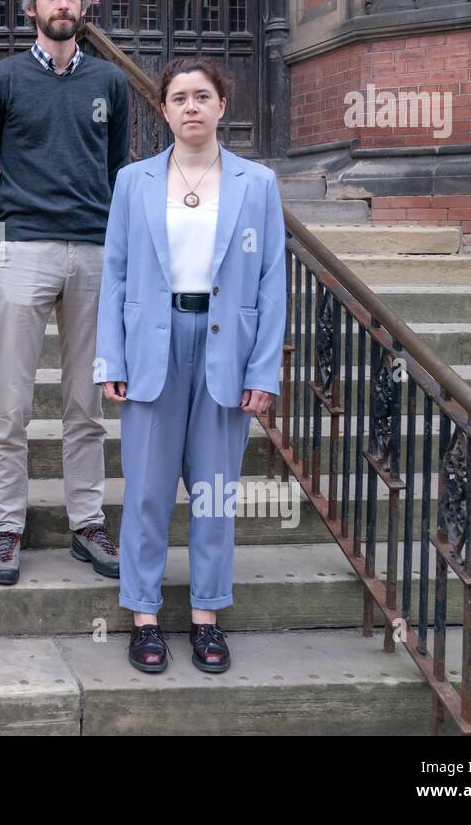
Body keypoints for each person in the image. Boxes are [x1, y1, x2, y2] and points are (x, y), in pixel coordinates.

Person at [96, 56, 286, 676]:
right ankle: (144, 615)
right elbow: (116, 274)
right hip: (153, 343)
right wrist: (111, 357)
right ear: (164, 110)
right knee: (148, 491)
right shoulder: (134, 181)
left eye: (203, 96)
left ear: (221, 106)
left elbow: (272, 282)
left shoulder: (256, 184)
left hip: (225, 343)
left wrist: (263, 372)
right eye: (179, 98)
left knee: (212, 492)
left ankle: (207, 617)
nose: (192, 108)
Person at [0, 0, 130, 586]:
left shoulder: (109, 83)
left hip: (92, 251)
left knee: (84, 406)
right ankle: (5, 528)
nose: (63, 4)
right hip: (25, 249)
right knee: (10, 403)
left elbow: (118, 169)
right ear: (31, 6)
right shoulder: (1, 79)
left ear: (85, 8)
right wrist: (8, 226)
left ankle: (86, 523)